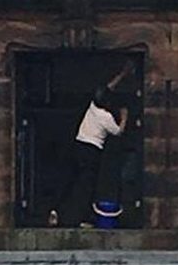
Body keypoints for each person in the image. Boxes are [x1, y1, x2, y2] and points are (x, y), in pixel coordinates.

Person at [52, 64, 132, 228]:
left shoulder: (93, 108)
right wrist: (124, 116)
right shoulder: (107, 118)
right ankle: (82, 218)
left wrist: (122, 74)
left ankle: (56, 211)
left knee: (70, 180)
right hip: (91, 150)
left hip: (78, 145)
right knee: (87, 186)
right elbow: (118, 132)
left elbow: (107, 88)